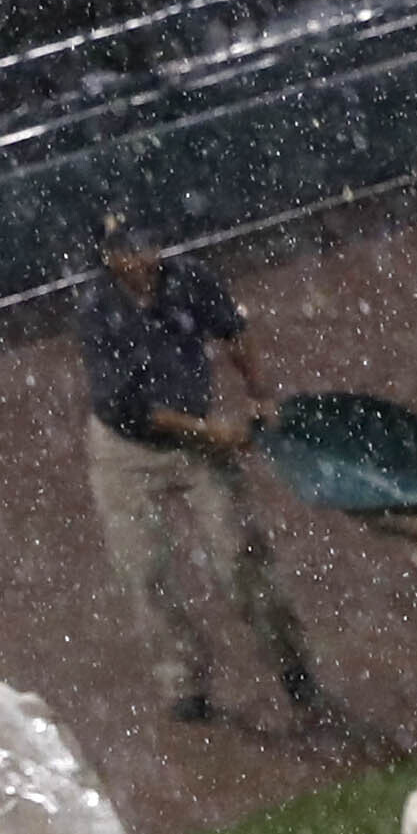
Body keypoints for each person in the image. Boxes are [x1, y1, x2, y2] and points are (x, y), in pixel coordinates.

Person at [76, 210, 325, 729]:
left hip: (195, 440)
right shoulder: (98, 310)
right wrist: (212, 431)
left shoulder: (190, 279)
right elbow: (133, 410)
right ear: (108, 258)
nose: (144, 256)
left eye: (148, 241)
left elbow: (234, 331)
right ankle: (184, 683)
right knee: (144, 571)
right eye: (129, 247)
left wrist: (260, 396)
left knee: (240, 557)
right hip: (127, 454)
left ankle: (293, 666)